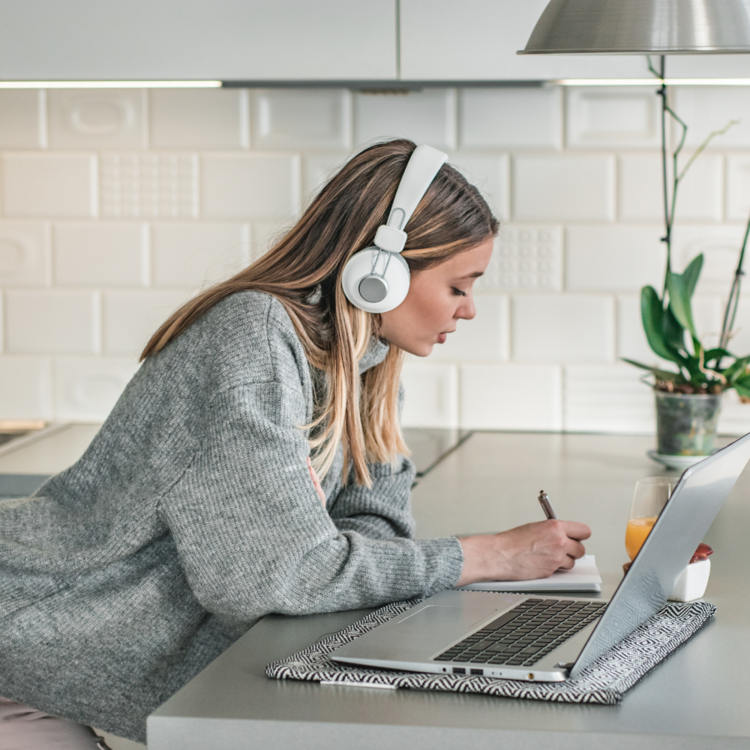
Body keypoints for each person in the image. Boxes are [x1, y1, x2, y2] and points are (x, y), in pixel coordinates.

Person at [0, 139, 591, 747]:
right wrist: (485, 557)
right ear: (378, 273)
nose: (468, 311)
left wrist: (336, 555)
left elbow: (370, 526)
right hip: (28, 640)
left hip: (72, 652)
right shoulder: (252, 340)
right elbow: (274, 577)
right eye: (459, 287)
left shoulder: (362, 361)